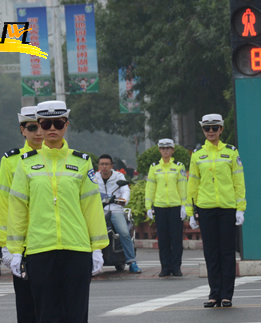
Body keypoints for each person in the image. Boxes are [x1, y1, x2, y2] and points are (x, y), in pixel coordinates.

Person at [7, 100, 108, 323]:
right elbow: (17, 209)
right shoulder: (25, 165)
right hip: (40, 250)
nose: (51, 130)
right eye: (44, 125)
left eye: (58, 123)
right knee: (47, 319)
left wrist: (97, 247)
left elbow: (91, 207)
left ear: (67, 124)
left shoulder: (82, 162)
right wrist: (14, 249)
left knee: (76, 319)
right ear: (36, 126)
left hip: (76, 249)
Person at [0, 105, 44, 323]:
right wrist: (6, 247)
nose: (38, 132)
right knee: (28, 312)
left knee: (54, 311)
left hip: (52, 244)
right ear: (22, 130)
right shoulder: (12, 161)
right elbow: (2, 205)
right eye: (31, 127)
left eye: (42, 125)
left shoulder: (59, 156)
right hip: (22, 247)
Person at [186, 114, 246, 308]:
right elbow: (192, 184)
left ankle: (227, 295)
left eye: (214, 128)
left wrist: (240, 208)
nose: (210, 131)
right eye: (207, 128)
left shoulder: (231, 153)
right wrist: (190, 211)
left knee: (227, 253)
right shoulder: (197, 154)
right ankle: (214, 294)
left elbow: (238, 181)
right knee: (211, 253)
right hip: (206, 208)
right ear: (203, 130)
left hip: (228, 208)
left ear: (221, 129)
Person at [145, 139, 187, 277]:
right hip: (160, 206)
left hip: (175, 206)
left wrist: (184, 205)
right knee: (163, 239)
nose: (165, 151)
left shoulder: (179, 166)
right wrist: (148, 206)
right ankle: (165, 267)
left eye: (168, 148)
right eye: (163, 148)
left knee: (176, 239)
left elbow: (182, 187)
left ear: (173, 150)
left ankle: (176, 267)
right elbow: (150, 187)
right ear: (159, 150)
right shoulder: (154, 167)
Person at [95, 154, 142, 273]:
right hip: (99, 210)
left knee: (124, 232)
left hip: (116, 209)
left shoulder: (118, 176)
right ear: (98, 165)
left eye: (107, 164)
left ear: (111, 166)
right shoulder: (94, 178)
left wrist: (123, 200)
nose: (104, 166)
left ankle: (132, 262)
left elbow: (125, 190)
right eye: (102, 164)